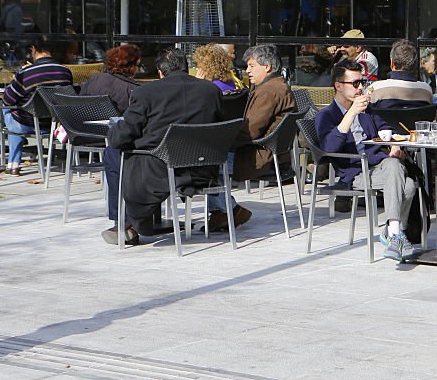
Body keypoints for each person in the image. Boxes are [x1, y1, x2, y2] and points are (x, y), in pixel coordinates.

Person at [104, 48, 224, 245]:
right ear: (186, 68)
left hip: (159, 171)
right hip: (203, 168)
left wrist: (114, 132)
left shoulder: (146, 93)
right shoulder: (211, 90)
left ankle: (125, 223)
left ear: (160, 72)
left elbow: (122, 135)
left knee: (113, 152)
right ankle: (131, 223)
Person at [315, 59, 418, 262]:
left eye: (362, 82)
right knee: (407, 185)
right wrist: (351, 112)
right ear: (338, 85)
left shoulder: (366, 111)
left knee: (404, 178)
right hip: (354, 173)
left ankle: (393, 232)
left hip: (378, 166)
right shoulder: (327, 115)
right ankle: (395, 233)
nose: (360, 87)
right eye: (355, 83)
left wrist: (396, 145)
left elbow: (391, 129)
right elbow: (329, 149)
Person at [207, 44, 296, 231]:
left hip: (259, 156)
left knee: (206, 161)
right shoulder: (278, 85)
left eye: (251, 66)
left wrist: (220, 141)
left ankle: (229, 210)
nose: (247, 70)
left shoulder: (268, 91)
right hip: (274, 153)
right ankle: (221, 213)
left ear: (267, 67)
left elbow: (250, 131)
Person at [82, 44, 142, 226]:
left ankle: (121, 219)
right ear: (130, 66)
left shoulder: (94, 80)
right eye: (137, 64)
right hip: (118, 141)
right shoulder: (131, 90)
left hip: (86, 134)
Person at [0, 36, 73, 176]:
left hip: (27, 123)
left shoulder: (26, 72)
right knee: (16, 111)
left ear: (33, 50)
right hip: (53, 124)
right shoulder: (65, 71)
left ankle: (12, 163)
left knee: (4, 109)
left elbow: (8, 99)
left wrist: (19, 75)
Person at [366, 39, 433, 108]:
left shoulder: (375, 89)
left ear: (392, 63)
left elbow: (365, 116)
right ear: (415, 65)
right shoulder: (426, 90)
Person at [79, 44, 141, 114]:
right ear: (131, 66)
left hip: (84, 121)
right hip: (116, 124)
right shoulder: (133, 90)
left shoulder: (95, 78)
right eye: (138, 65)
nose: (139, 69)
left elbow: (80, 102)